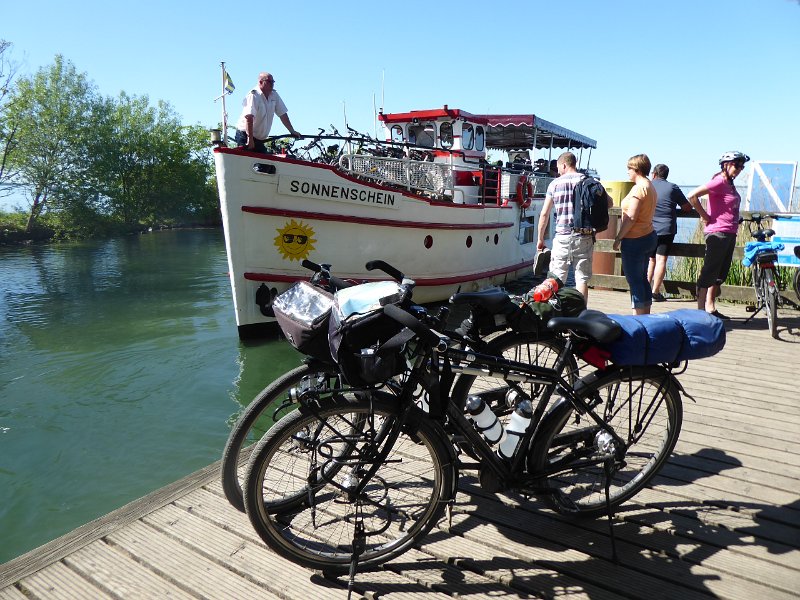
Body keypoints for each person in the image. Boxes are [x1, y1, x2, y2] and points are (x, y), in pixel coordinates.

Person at [537, 151, 611, 303]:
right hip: (584, 235)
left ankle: (555, 314)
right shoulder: (589, 181)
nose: (558, 171)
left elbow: (544, 214)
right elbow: (609, 203)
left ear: (564, 165)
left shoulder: (554, 184)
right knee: (581, 279)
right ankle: (581, 315)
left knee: (555, 278)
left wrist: (540, 239)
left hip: (562, 237)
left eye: (558, 167)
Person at [685, 151, 750, 319]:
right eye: (737, 165)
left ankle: (710, 307)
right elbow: (692, 196)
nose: (740, 169)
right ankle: (700, 313)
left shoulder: (729, 183)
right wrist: (705, 216)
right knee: (710, 270)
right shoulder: (719, 181)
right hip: (718, 233)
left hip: (730, 232)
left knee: (720, 272)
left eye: (742, 166)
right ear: (726, 165)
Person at [612, 154, 658, 315]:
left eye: (629, 169)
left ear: (636, 169)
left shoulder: (639, 188)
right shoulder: (650, 186)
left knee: (634, 280)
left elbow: (631, 217)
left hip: (635, 239)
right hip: (648, 235)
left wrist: (618, 238)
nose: (627, 172)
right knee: (643, 278)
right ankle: (646, 314)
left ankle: (638, 318)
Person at [648, 164, 692, 301]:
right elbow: (686, 207)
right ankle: (655, 292)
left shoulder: (647, 186)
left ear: (654, 174)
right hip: (666, 228)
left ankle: (644, 290)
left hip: (649, 228)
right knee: (661, 259)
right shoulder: (673, 187)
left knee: (650, 260)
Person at [235, 72, 301, 153]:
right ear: (260, 82)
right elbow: (249, 117)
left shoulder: (274, 95)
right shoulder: (254, 95)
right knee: (245, 163)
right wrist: (250, 138)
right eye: (269, 81)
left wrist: (292, 131)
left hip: (259, 139)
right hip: (246, 136)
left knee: (264, 164)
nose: (272, 84)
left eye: (273, 82)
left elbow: (282, 114)